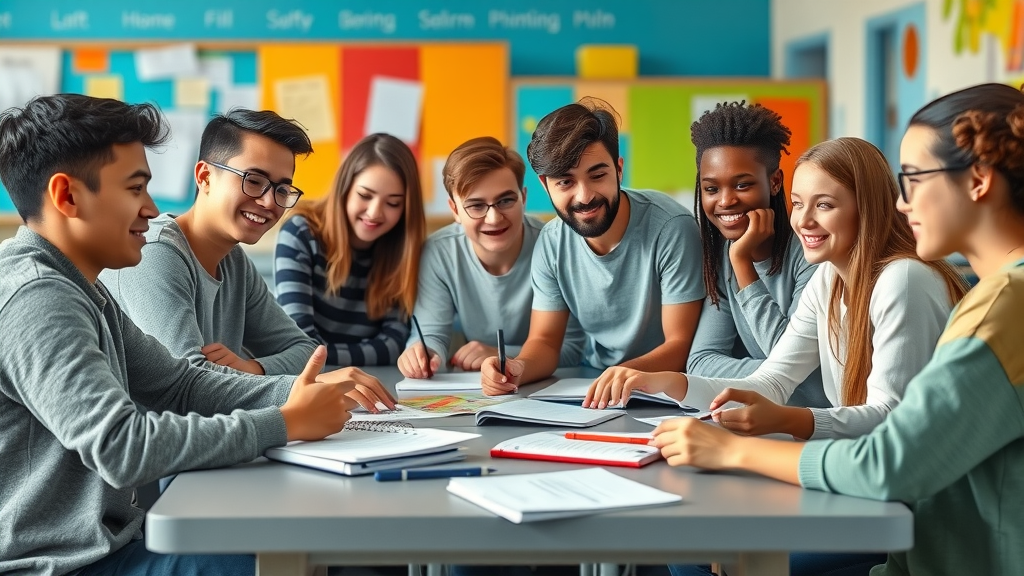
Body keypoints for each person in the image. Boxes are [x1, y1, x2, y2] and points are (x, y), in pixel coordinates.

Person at [651, 82, 1024, 576]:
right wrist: (669, 386)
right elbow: (775, 378)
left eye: (913, 178)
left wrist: (739, 448)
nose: (902, 203)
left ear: (978, 180)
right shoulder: (989, 296)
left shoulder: (995, 304)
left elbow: (891, 460)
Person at [0, 94, 367, 576]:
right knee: (268, 556)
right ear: (68, 196)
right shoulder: (37, 297)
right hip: (57, 565)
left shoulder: (82, 287)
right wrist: (285, 422)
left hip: (108, 540)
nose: (152, 209)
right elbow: (122, 446)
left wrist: (303, 395)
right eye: (135, 189)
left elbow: (180, 385)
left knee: (287, 546)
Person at [585, 137, 968, 443]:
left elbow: (889, 417)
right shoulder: (829, 279)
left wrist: (788, 418)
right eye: (798, 203)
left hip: (925, 486)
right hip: (862, 458)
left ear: (865, 208)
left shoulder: (902, 279)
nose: (803, 220)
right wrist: (671, 383)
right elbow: (773, 381)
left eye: (825, 205)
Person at [480, 99, 704, 395]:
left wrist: (623, 374)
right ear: (545, 185)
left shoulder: (671, 227)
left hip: (664, 386)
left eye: (597, 175)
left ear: (619, 169)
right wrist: (517, 368)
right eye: (565, 182)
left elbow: (679, 346)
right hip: (596, 381)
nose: (584, 196)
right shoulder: (552, 242)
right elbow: (546, 342)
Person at [100, 109, 324, 377]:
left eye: (282, 190)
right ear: (205, 177)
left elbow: (307, 352)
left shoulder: (234, 261)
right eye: (253, 181)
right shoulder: (155, 251)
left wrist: (254, 369)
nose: (268, 202)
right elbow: (187, 382)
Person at [397, 136, 583, 378]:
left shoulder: (557, 246)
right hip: (485, 388)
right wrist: (422, 353)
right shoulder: (439, 253)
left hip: (552, 386)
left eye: (506, 200)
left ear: (523, 198)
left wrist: (500, 354)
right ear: (455, 210)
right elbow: (431, 335)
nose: (494, 219)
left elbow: (572, 350)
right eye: (476, 206)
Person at [686, 100, 827, 409]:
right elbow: (699, 363)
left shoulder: (812, 254)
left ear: (774, 182)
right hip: (768, 414)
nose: (725, 200)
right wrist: (774, 378)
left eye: (742, 184)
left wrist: (743, 264)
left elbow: (802, 375)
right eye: (711, 189)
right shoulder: (722, 255)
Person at [275, 133, 425, 367]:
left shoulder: (403, 253)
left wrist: (320, 353)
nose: (375, 212)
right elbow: (299, 345)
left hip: (372, 385)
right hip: (309, 384)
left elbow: (394, 346)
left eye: (393, 203)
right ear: (345, 189)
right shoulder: (300, 233)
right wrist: (315, 353)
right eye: (365, 196)